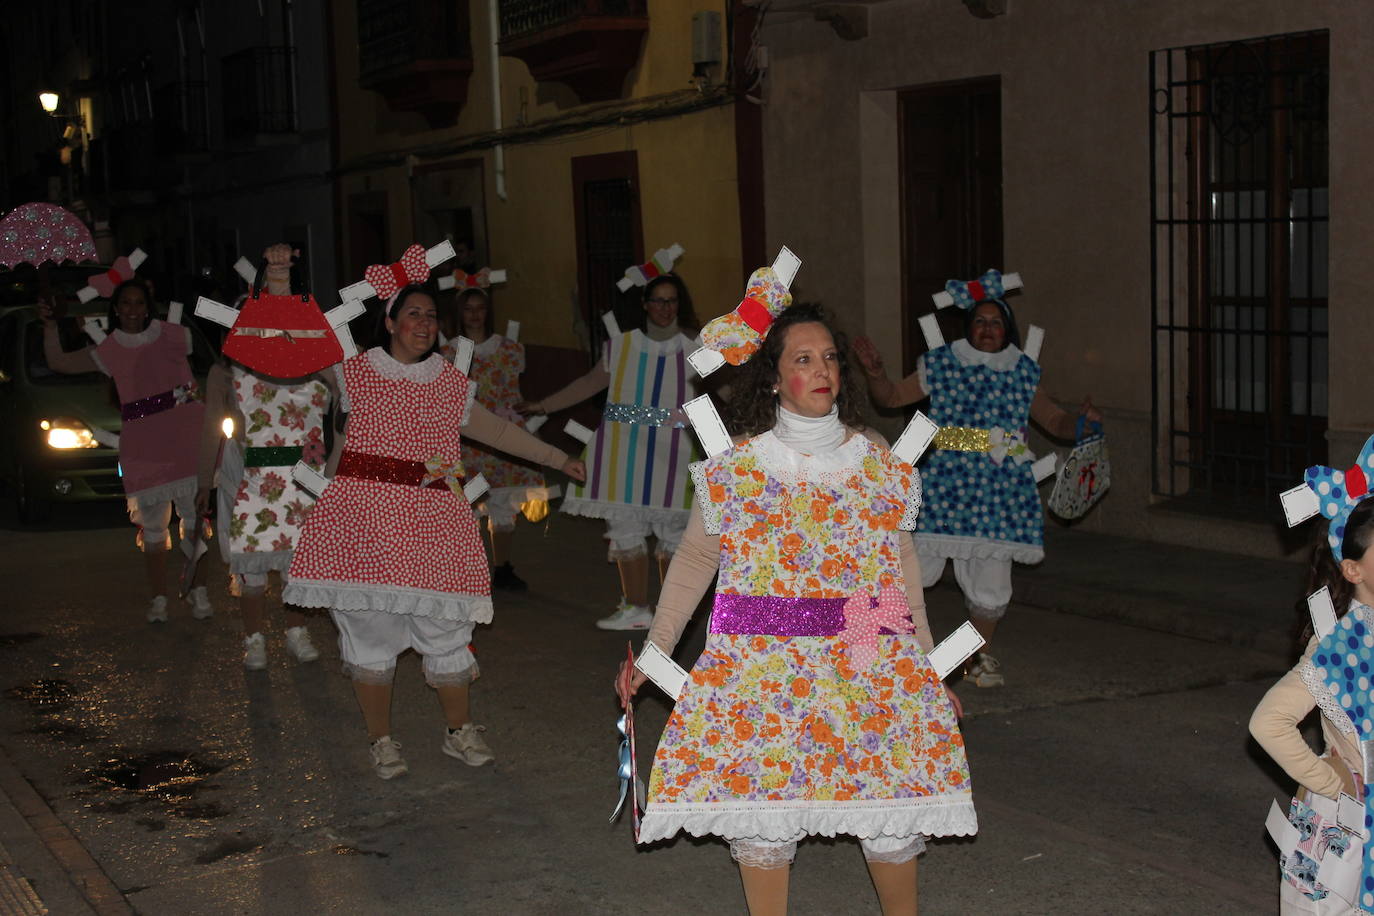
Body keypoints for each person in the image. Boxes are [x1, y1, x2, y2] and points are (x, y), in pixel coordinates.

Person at [618, 303, 975, 916]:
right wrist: (656, 653)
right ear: (774, 378)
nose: (822, 370)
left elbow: (899, 568)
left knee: (889, 804)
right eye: (803, 359)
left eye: (830, 357)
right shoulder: (738, 464)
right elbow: (696, 561)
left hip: (867, 651)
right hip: (762, 666)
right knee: (766, 820)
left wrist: (925, 667)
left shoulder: (877, 457)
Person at [282, 284, 586, 779]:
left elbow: (499, 431)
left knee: (446, 628)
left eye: (431, 316)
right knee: (370, 630)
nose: (424, 323)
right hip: (363, 525)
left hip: (434, 525)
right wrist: (278, 281)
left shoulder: (448, 383)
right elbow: (289, 343)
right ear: (389, 321)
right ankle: (381, 740)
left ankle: (458, 730)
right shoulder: (353, 371)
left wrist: (558, 458)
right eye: (413, 313)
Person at [853, 295, 1100, 687]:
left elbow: (1056, 421)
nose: (987, 328)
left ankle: (971, 661)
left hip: (999, 496)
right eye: (980, 321)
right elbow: (892, 397)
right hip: (943, 488)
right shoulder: (942, 364)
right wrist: (877, 374)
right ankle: (891, 655)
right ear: (969, 326)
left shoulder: (1021, 371)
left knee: (991, 584)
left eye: (996, 322)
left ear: (1007, 330)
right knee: (909, 571)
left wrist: (1083, 425)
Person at [519, 274, 701, 631]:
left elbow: (722, 389)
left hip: (675, 453)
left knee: (674, 534)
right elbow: (588, 384)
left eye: (672, 300)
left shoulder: (695, 347)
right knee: (626, 528)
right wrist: (544, 405)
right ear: (645, 304)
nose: (665, 308)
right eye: (658, 300)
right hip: (622, 451)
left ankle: (671, 615)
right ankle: (636, 608)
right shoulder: (622, 346)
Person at [41, 278, 212, 622]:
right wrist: (49, 324)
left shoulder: (172, 335)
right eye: (126, 303)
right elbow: (59, 362)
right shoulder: (110, 349)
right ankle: (159, 598)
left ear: (148, 307)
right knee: (153, 526)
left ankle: (199, 590)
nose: (133, 310)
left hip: (184, 439)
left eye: (139, 303)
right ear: (116, 309)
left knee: (194, 520)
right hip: (143, 445)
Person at [196, 244, 333, 670]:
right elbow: (211, 428)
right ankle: (254, 638)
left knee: (297, 563)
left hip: (304, 478)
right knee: (252, 564)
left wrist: (281, 282)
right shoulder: (234, 373)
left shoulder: (317, 368)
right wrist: (203, 483)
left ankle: (296, 631)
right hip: (252, 475)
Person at [1250, 493, 1374, 913]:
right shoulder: (1340, 644)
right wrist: (1330, 782)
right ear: (1353, 569)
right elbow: (1269, 722)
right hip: (1350, 828)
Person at [439, 287, 555, 591]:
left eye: (480, 308)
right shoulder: (448, 353)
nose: (475, 314)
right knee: (466, 502)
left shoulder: (509, 349)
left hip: (505, 435)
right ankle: (465, 571)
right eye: (468, 309)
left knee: (503, 502)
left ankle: (502, 567)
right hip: (469, 437)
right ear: (459, 314)